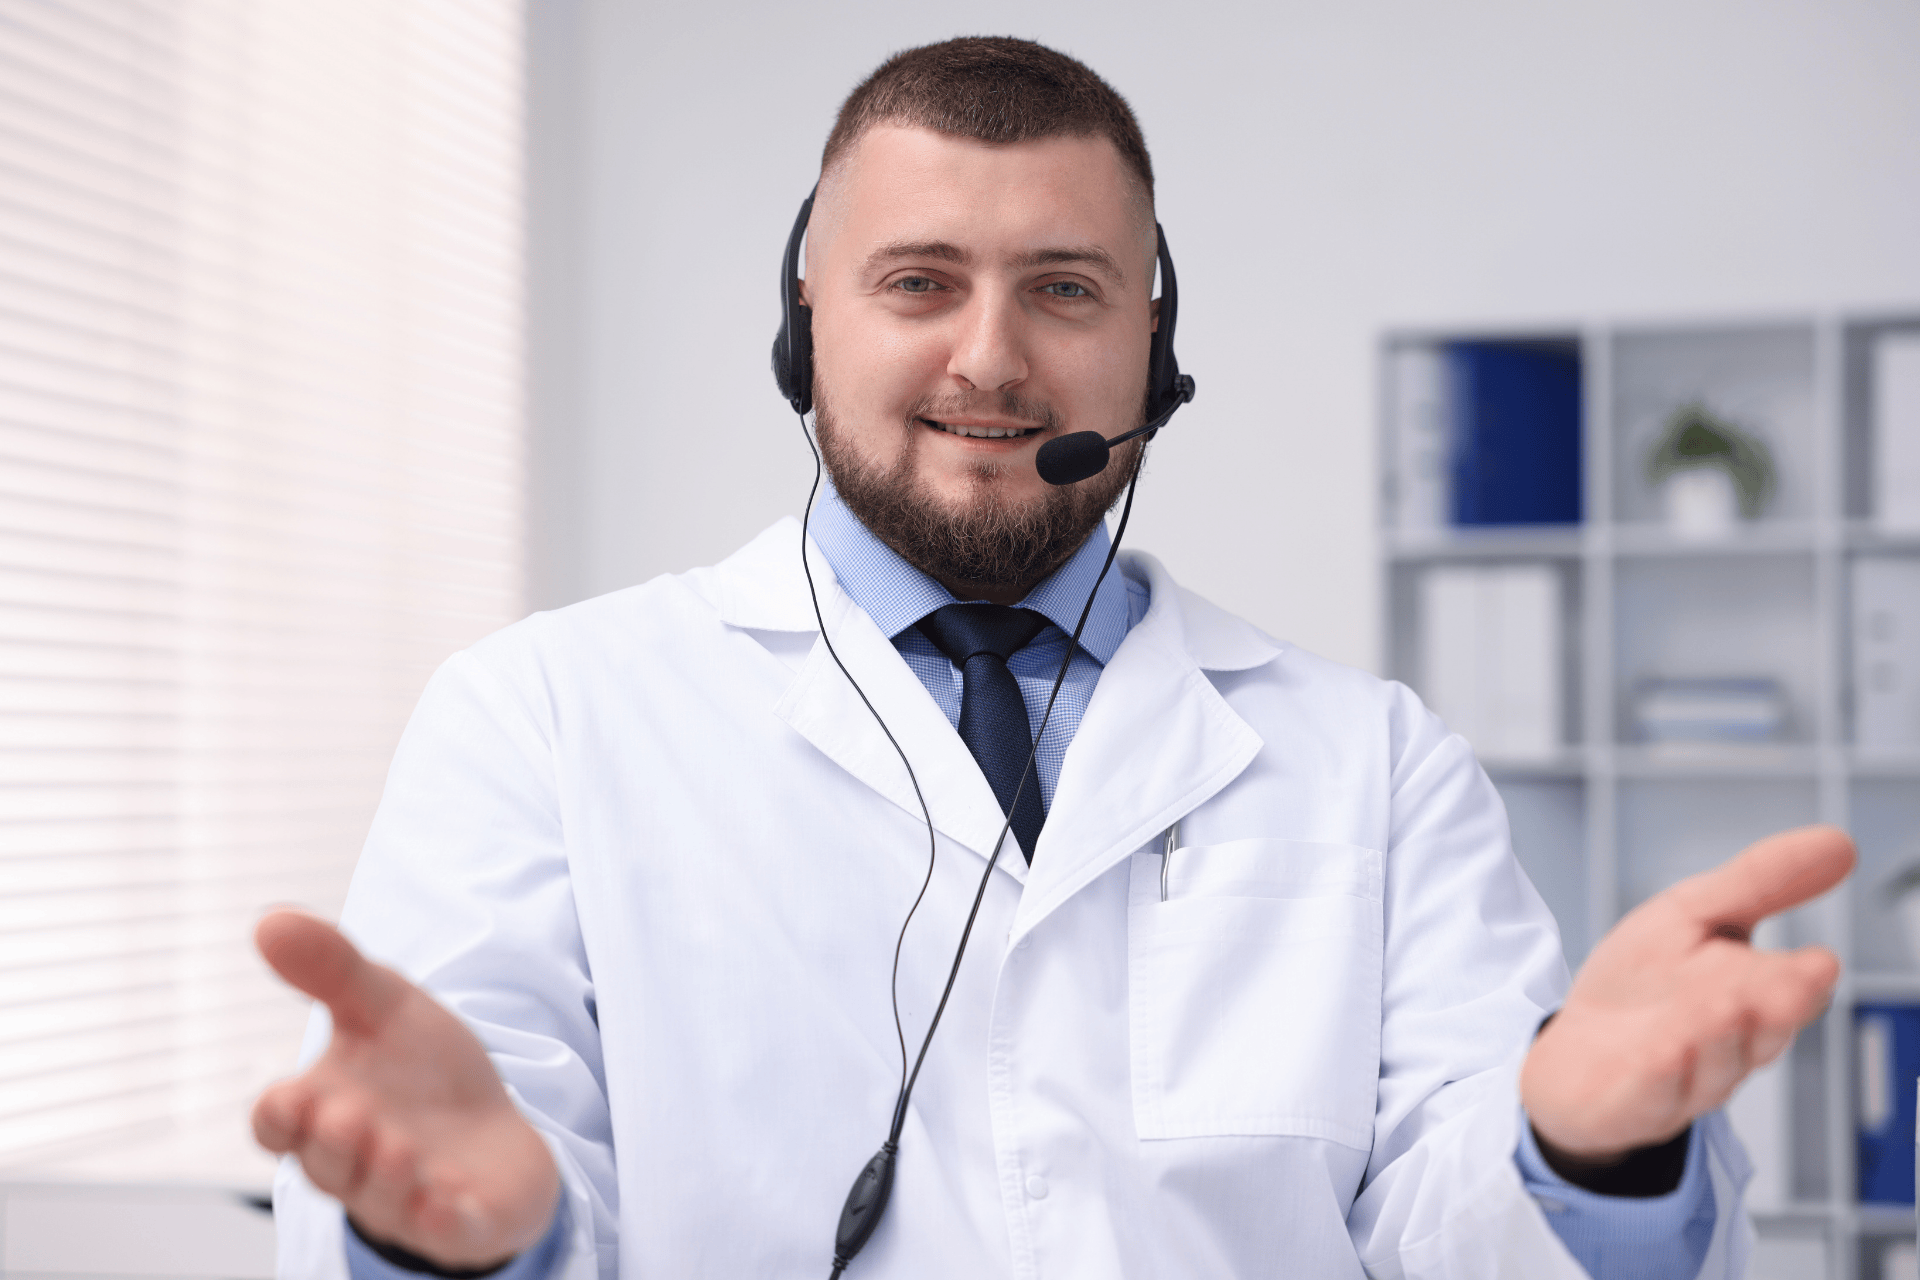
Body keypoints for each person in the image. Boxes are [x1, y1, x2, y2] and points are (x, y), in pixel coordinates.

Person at [257, 37, 1854, 1280]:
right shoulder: (542, 721)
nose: (991, 357)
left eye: (1065, 289)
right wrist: (462, 1234)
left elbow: (1452, 1229)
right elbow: (480, 1174)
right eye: (919, 282)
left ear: (1152, 356)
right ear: (805, 324)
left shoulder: (1368, 759)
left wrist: (1586, 1154)